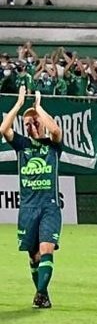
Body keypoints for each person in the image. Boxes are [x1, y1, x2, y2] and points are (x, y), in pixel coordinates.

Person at [1, 87, 63, 309]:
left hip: (49, 207)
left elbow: (55, 130)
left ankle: (40, 293)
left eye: (34, 121)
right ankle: (43, 296)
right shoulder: (22, 145)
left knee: (46, 248)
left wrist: (38, 108)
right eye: (27, 123)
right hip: (27, 209)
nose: (31, 124)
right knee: (33, 256)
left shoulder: (54, 145)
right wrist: (18, 105)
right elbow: (3, 128)